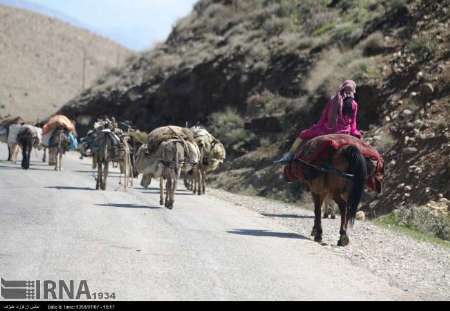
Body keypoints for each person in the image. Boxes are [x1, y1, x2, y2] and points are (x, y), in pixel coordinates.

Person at [275, 80, 363, 163]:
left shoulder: (333, 100)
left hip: (328, 130)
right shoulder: (354, 104)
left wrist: (317, 127)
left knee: (303, 134)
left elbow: (324, 117)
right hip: (345, 132)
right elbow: (353, 123)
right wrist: (355, 132)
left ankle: (289, 155)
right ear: (353, 91)